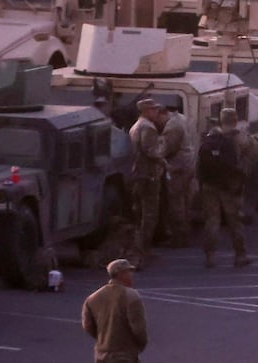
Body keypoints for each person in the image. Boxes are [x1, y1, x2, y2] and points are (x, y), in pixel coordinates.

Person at [198, 108, 251, 268]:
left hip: (210, 185)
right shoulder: (242, 138)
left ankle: (210, 256)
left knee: (212, 220)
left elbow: (199, 164)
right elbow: (252, 157)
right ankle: (240, 255)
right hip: (230, 185)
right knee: (235, 221)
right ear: (235, 119)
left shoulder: (210, 138)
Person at [82, 258, 148, 362]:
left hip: (101, 354)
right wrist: (140, 345)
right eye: (128, 272)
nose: (131, 275)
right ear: (121, 274)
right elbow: (138, 328)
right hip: (124, 355)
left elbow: (87, 326)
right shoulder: (131, 296)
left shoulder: (92, 298)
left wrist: (103, 339)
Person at [127, 99, 167, 266]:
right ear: (146, 111)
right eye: (154, 109)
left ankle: (139, 250)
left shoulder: (135, 126)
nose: (157, 112)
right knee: (149, 214)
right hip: (148, 175)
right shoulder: (148, 127)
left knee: (139, 214)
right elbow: (151, 151)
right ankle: (142, 251)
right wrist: (163, 161)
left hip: (137, 174)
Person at [158, 107, 196, 246]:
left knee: (176, 201)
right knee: (185, 200)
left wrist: (157, 154)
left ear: (163, 113)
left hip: (177, 167)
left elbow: (168, 148)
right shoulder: (182, 118)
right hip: (187, 164)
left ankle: (178, 237)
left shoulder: (173, 125)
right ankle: (185, 233)